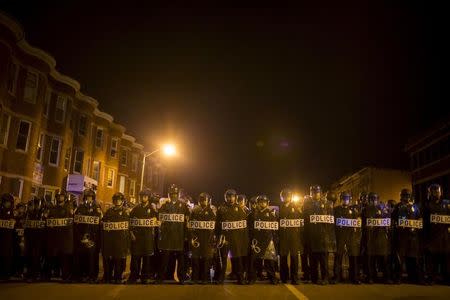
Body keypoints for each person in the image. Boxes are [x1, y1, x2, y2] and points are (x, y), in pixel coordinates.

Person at [157, 184, 190, 284]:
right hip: (167, 238)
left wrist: (186, 236)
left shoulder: (183, 206)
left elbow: (187, 223)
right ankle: (162, 278)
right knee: (165, 260)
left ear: (178, 194)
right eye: (172, 194)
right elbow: (159, 221)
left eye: (175, 194)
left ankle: (182, 278)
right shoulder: (164, 206)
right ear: (169, 194)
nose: (174, 195)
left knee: (181, 261)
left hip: (179, 237)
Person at [215, 189, 249, 284]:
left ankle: (240, 278)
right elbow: (217, 225)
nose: (230, 198)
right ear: (225, 197)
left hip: (236, 239)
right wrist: (217, 237)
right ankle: (221, 279)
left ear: (235, 197)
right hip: (225, 239)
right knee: (223, 259)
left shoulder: (240, 209)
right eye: (228, 196)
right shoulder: (221, 209)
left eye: (232, 196)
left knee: (238, 259)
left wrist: (244, 239)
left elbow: (244, 225)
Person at [304, 185, 335, 285]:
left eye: (316, 192)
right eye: (313, 192)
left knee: (323, 261)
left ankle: (325, 278)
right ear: (311, 193)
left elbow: (331, 221)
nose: (315, 194)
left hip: (323, 237)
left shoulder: (327, 204)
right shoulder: (307, 205)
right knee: (313, 261)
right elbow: (304, 220)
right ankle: (314, 278)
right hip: (312, 237)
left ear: (320, 193)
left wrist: (329, 237)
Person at [392, 188, 424, 284]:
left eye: (408, 195)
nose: (406, 197)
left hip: (413, 236)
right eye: (404, 195)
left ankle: (413, 277)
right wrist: (397, 226)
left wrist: (419, 222)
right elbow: (393, 220)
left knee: (413, 257)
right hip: (402, 236)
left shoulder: (415, 207)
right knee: (400, 258)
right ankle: (398, 277)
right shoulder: (397, 207)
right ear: (401, 196)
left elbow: (419, 218)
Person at [128, 188, 158, 284]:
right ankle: (134, 276)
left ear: (148, 197)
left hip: (147, 238)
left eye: (145, 196)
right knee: (135, 258)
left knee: (146, 258)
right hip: (137, 238)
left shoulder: (152, 210)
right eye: (142, 196)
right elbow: (129, 222)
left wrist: (155, 220)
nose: (143, 198)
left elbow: (157, 221)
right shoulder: (136, 209)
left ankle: (144, 277)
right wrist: (131, 234)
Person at [248, 195, 279, 285]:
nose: (262, 204)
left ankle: (272, 278)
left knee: (269, 262)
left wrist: (274, 239)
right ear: (257, 203)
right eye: (261, 202)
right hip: (256, 241)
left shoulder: (271, 214)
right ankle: (252, 279)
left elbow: (275, 229)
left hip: (268, 240)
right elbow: (249, 228)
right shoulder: (252, 214)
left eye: (264, 202)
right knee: (254, 261)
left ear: (267, 203)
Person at [73, 189, 102, 283]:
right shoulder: (80, 207)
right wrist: (80, 236)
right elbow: (76, 222)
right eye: (87, 197)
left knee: (92, 258)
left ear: (93, 198)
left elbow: (100, 222)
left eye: (91, 197)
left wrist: (95, 237)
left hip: (93, 237)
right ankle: (81, 275)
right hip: (82, 237)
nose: (89, 199)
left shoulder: (97, 207)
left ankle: (92, 276)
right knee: (82, 257)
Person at [362, 192, 392, 284]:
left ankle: (386, 277)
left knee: (383, 259)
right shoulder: (365, 210)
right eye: (371, 199)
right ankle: (371, 277)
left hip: (381, 237)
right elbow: (362, 223)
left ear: (378, 199)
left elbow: (388, 221)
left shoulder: (384, 208)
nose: (373, 201)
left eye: (375, 199)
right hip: (370, 238)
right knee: (371, 259)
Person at [423, 183, 450, 285]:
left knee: (446, 260)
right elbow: (424, 223)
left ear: (441, 192)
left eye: (437, 191)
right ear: (430, 193)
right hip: (432, 238)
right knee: (432, 261)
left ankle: (446, 278)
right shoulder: (426, 205)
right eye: (433, 192)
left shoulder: (447, 204)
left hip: (445, 238)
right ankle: (431, 278)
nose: (436, 193)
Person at [333, 192, 362, 284]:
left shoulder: (353, 210)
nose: (346, 201)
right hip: (340, 236)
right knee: (338, 257)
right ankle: (337, 277)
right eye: (344, 199)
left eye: (347, 199)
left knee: (353, 257)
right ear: (340, 199)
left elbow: (358, 222)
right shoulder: (336, 210)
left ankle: (354, 278)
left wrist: (358, 220)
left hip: (351, 237)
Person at [45, 191, 74, 282]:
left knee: (64, 257)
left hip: (65, 238)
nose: (59, 198)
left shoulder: (68, 208)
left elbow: (71, 221)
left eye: (61, 197)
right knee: (51, 256)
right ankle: (47, 275)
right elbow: (48, 220)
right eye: (58, 197)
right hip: (55, 237)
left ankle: (65, 276)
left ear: (64, 198)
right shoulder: (53, 208)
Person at [102, 192, 130, 284]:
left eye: (119, 200)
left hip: (121, 240)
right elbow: (103, 222)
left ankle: (118, 277)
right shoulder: (109, 211)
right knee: (109, 259)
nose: (117, 201)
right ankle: (108, 277)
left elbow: (129, 226)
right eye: (116, 200)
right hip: (110, 239)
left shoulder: (126, 212)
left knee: (119, 259)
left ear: (122, 201)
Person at [189, 192, 216, 284]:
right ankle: (195, 278)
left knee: (206, 259)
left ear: (208, 200)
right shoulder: (194, 210)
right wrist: (192, 237)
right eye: (201, 199)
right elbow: (190, 224)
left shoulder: (212, 210)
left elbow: (215, 225)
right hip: (197, 238)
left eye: (205, 199)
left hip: (208, 238)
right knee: (195, 258)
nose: (203, 201)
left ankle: (206, 278)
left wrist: (213, 238)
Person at [279, 189, 303, 285]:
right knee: (283, 258)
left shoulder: (296, 208)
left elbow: (301, 223)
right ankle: (284, 277)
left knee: (294, 258)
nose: (286, 198)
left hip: (294, 238)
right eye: (284, 196)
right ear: (282, 197)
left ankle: (294, 278)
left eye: (288, 196)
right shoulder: (279, 209)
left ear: (291, 197)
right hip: (283, 237)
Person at [24, 196, 46, 282]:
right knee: (29, 256)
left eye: (38, 204)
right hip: (30, 237)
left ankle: (34, 275)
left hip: (38, 239)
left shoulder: (42, 214)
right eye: (35, 204)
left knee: (36, 257)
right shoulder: (29, 213)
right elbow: (25, 225)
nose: (36, 205)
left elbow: (45, 226)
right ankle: (29, 274)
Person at [0, 193, 16, 281]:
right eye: (7, 202)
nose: (8, 204)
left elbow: (13, 224)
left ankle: (5, 274)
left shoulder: (12, 212)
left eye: (9, 202)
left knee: (6, 256)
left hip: (7, 238)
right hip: (1, 236)